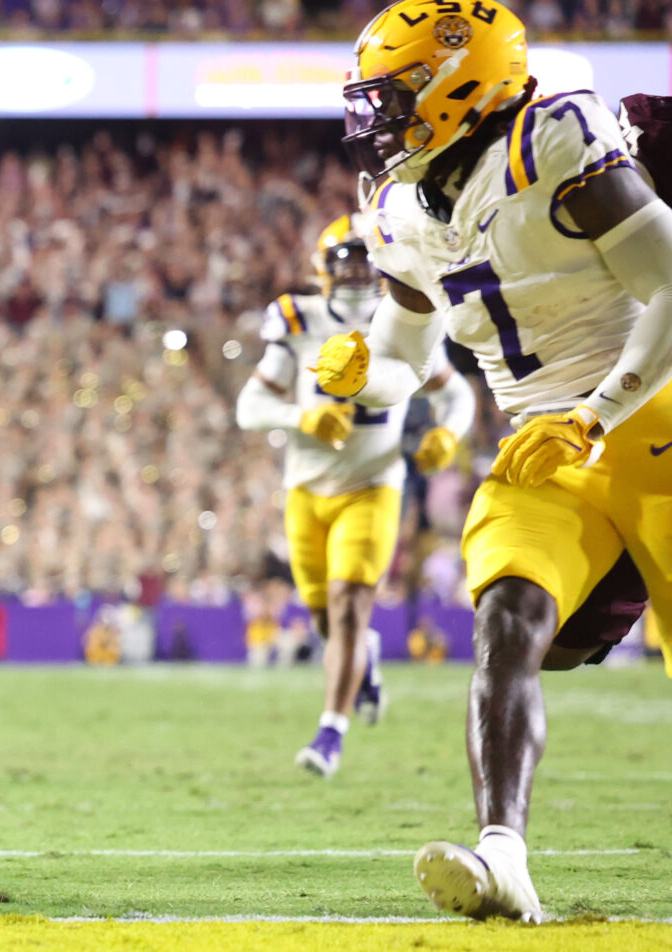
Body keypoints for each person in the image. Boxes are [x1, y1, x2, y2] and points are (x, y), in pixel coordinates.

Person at [319, 0, 672, 920]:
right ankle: (504, 857)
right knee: (509, 616)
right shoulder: (399, 209)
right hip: (544, 440)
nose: (376, 119)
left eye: (395, 96)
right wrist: (366, 374)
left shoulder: (553, 136)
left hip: (651, 410)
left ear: (459, 82)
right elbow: (405, 358)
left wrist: (596, 415)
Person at [236, 214, 475, 778]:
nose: (358, 270)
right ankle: (362, 662)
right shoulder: (300, 320)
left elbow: (456, 394)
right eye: (346, 259)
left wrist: (447, 434)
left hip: (374, 483)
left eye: (366, 258)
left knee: (347, 602)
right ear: (324, 267)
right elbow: (250, 408)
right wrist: (303, 418)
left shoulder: (402, 319)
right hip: (306, 488)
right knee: (326, 616)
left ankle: (330, 733)